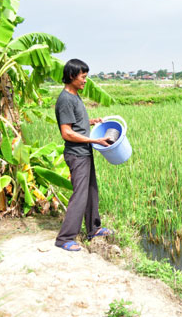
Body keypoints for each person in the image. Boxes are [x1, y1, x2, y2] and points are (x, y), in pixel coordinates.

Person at [54, 59, 113, 251]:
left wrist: (92, 121)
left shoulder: (75, 96)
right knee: (80, 194)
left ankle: (93, 229)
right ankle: (64, 238)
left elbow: (77, 123)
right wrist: (95, 140)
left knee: (91, 191)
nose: (85, 81)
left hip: (84, 152)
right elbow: (67, 133)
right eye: (83, 77)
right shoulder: (65, 100)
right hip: (77, 155)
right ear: (72, 76)